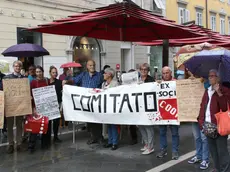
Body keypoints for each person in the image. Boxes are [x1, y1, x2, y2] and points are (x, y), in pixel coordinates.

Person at [63, 59, 104, 145]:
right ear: (87, 67)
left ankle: (100, 137)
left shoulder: (99, 75)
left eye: (93, 65)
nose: (92, 67)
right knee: (89, 120)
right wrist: (66, 81)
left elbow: (103, 86)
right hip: (86, 102)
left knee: (98, 120)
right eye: (90, 65)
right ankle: (93, 137)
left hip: (96, 101)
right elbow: (74, 80)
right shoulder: (83, 75)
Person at [198, 69, 230, 172]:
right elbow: (202, 107)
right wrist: (201, 123)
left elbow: (225, 108)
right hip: (207, 125)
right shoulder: (207, 91)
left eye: (213, 76)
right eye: (209, 76)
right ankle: (217, 168)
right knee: (213, 151)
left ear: (218, 78)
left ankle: (225, 169)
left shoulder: (225, 90)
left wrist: (219, 92)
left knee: (222, 151)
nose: (210, 77)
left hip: (219, 125)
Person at [186, 74, 210, 170]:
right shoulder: (192, 80)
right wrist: (190, 82)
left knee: (204, 138)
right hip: (194, 113)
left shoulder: (207, 80)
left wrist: (204, 81)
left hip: (203, 114)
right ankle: (198, 156)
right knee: (197, 137)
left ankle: (205, 159)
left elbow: (209, 89)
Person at [156, 66, 180, 160]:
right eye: (164, 73)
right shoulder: (159, 83)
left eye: (167, 73)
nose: (165, 75)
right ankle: (163, 149)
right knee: (162, 132)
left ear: (171, 73)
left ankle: (175, 151)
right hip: (162, 112)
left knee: (175, 133)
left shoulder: (176, 83)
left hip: (173, 112)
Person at [3, 60, 25, 154]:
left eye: (19, 66)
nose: (18, 68)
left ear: (21, 68)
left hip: (20, 105)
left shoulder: (24, 79)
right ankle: (10, 144)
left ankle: (19, 143)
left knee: (19, 125)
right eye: (16, 66)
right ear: (13, 67)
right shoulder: (7, 78)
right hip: (10, 106)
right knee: (10, 125)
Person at [29, 66, 50, 152]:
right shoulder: (33, 82)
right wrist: (33, 108)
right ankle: (31, 145)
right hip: (36, 107)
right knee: (35, 126)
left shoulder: (46, 81)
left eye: (40, 71)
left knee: (45, 124)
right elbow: (31, 95)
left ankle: (45, 144)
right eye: (37, 72)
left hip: (46, 106)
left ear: (42, 72)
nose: (38, 73)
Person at [138, 63, 155, 155]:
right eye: (142, 69)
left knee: (148, 127)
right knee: (141, 126)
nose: (143, 71)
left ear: (148, 71)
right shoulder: (137, 80)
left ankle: (151, 147)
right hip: (139, 106)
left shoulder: (151, 80)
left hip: (148, 106)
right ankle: (146, 144)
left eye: (145, 69)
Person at [102, 68, 119, 150]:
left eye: (105, 73)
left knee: (114, 125)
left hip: (113, 107)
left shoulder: (115, 83)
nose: (103, 74)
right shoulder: (103, 84)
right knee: (108, 125)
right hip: (106, 107)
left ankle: (115, 142)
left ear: (109, 74)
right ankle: (110, 141)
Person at [49, 66, 62, 143]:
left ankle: (55, 136)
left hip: (57, 103)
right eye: (53, 72)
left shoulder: (59, 82)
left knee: (56, 121)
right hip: (49, 104)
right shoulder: (46, 82)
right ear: (50, 73)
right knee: (49, 122)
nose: (55, 74)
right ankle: (47, 136)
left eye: (56, 72)